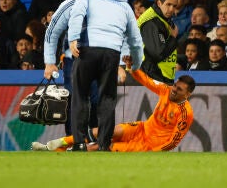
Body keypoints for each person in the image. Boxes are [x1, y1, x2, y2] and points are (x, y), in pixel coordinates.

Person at [32, 56, 195, 152]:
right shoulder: (166, 90)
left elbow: (174, 140)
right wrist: (131, 68)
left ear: (187, 94)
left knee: (105, 145)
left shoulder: (186, 113)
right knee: (105, 131)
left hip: (149, 144)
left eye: (179, 90)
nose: (174, 90)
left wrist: (156, 150)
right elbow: (146, 80)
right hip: (142, 128)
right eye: (175, 86)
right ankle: (55, 144)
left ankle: (63, 152)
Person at [67, 0, 144, 151]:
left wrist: (73, 38)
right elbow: (136, 39)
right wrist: (136, 64)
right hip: (112, 53)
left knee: (80, 96)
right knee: (107, 99)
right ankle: (104, 144)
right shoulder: (124, 4)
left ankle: (79, 143)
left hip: (88, 50)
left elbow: (77, 13)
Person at [137, 0, 178, 84]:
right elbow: (158, 53)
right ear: (159, 3)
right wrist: (173, 38)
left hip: (159, 74)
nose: (172, 9)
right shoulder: (151, 22)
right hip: (152, 74)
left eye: (174, 6)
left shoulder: (161, 18)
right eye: (168, 4)